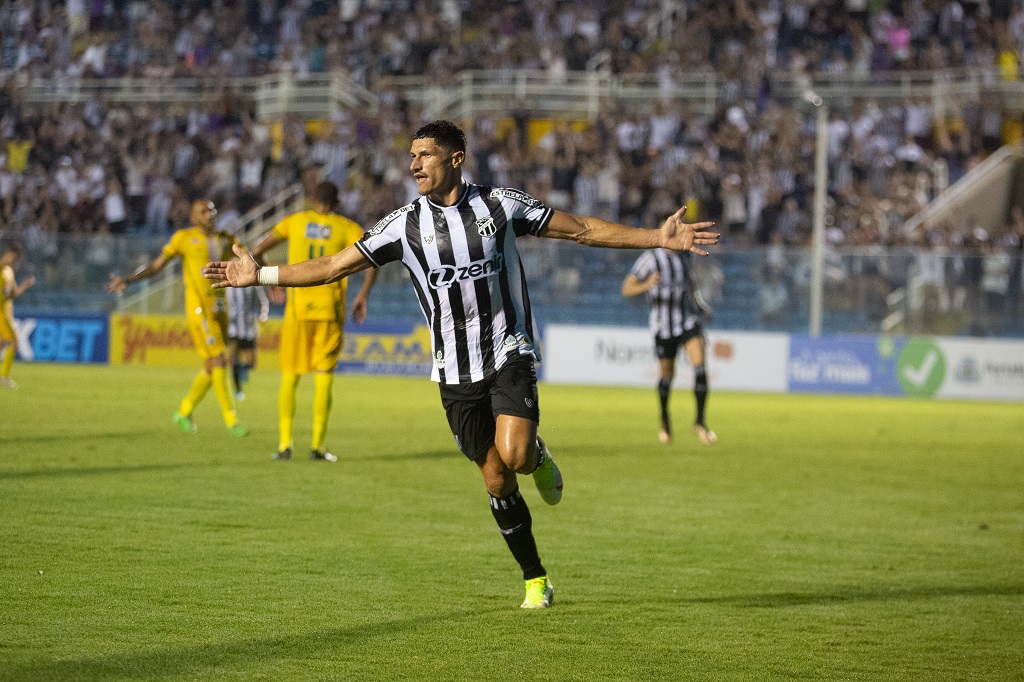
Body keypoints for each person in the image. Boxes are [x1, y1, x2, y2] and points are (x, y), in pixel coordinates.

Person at [203, 120, 719, 609]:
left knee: (514, 455)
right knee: (495, 479)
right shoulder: (404, 225)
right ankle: (536, 578)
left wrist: (656, 237)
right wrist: (262, 273)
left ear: (456, 159)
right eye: (410, 157)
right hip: (453, 371)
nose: (414, 165)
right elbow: (334, 266)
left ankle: (535, 455)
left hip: (507, 349)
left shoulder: (498, 205)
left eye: (424, 155)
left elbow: (581, 228)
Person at [249, 180, 378, 462]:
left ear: (312, 200)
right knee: (324, 379)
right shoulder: (347, 227)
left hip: (298, 311)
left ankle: (284, 445)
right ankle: (317, 447)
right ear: (337, 202)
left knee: (290, 377)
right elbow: (373, 259)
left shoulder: (295, 221)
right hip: (329, 312)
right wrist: (362, 295)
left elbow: (257, 250)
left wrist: (271, 279)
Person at [107, 199, 249, 436]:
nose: (210, 214)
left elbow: (250, 259)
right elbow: (157, 265)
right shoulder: (183, 238)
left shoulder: (226, 238)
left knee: (211, 365)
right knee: (219, 360)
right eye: (203, 211)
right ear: (193, 218)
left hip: (221, 306)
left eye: (212, 210)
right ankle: (231, 420)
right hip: (199, 308)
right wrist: (129, 280)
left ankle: (184, 411)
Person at [622, 247, 717, 446]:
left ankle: (700, 422)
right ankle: (665, 420)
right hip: (662, 327)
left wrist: (700, 306)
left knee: (700, 368)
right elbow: (627, 289)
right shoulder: (650, 258)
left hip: (687, 322)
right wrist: (647, 284)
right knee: (667, 377)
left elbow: (691, 286)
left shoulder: (685, 257)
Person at [0, 243, 35, 389]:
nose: (12, 259)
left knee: (2, 342)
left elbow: (12, 294)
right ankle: (4, 377)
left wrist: (25, 285)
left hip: (6, 310)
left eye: (15, 258)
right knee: (14, 341)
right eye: (12, 256)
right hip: (1, 312)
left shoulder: (9, 271)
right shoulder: (3, 269)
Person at [226, 283, 270, 400]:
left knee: (252, 363)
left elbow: (263, 301)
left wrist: (263, 315)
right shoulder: (228, 284)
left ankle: (242, 368)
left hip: (249, 328)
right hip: (233, 329)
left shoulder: (252, 283)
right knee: (232, 359)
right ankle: (238, 390)